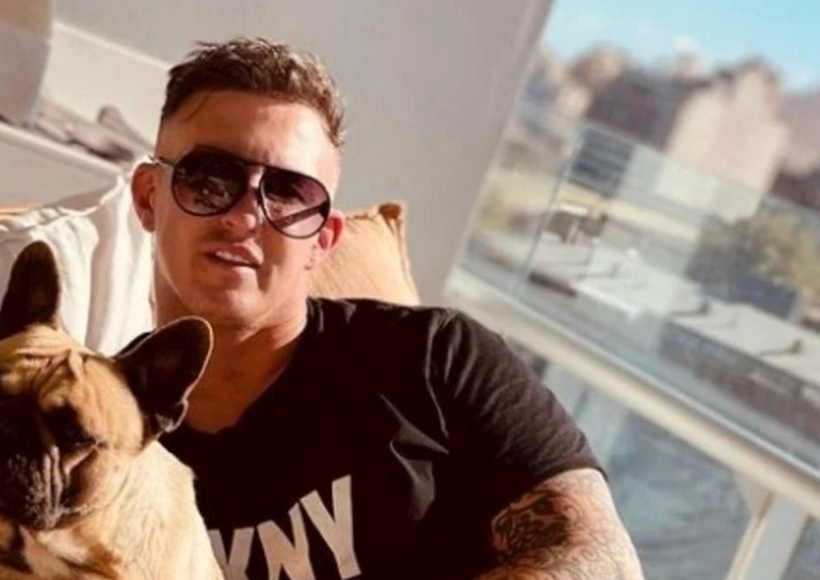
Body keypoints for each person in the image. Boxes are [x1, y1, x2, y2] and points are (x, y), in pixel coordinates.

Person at [129, 37, 644, 579]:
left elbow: (603, 562)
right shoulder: (102, 427)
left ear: (322, 239)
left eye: (287, 193)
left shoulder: (436, 359)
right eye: (210, 178)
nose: (245, 216)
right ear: (148, 197)